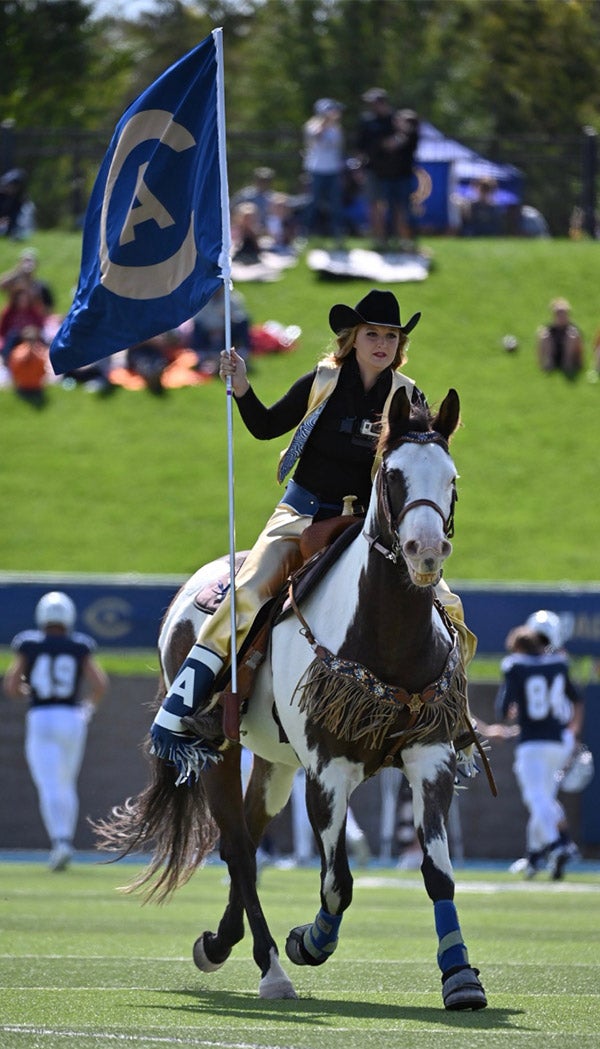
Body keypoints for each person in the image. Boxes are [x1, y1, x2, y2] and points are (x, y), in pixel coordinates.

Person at [149, 288, 477, 783]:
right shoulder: (322, 380)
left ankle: (457, 725)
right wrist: (239, 385)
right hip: (300, 513)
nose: (382, 344)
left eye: (391, 336)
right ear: (353, 338)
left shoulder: (409, 396)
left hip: (371, 527)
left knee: (446, 606)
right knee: (247, 593)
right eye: (373, 334)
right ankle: (180, 713)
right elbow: (264, 427)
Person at [3, 591, 108, 870]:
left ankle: (60, 842)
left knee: (49, 783)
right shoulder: (79, 645)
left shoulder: (29, 643)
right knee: (66, 782)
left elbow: (11, 685)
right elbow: (99, 684)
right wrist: (88, 709)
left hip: (41, 715)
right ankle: (65, 840)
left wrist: (29, 692)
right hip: (72, 716)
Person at [495, 609, 584, 881]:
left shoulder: (516, 665)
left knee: (536, 798)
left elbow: (503, 709)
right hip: (559, 739)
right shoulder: (559, 663)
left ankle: (560, 844)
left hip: (533, 741)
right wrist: (574, 730)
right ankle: (535, 856)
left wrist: (512, 715)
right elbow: (575, 699)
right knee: (543, 799)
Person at [356, 88, 420, 250]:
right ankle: (379, 239)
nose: (372, 106)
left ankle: (403, 239)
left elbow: (404, 140)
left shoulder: (395, 120)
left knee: (399, 208)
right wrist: (359, 167)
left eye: (374, 103)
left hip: (394, 173)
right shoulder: (367, 121)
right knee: (375, 205)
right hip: (375, 170)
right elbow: (361, 147)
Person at [302, 98, 346, 245]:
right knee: (313, 202)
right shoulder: (312, 125)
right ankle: (306, 232)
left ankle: (337, 233)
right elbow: (316, 138)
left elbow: (338, 147)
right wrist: (325, 120)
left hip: (333, 170)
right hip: (316, 169)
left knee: (335, 203)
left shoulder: (337, 128)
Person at [536, 298, 584, 379]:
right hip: (554, 355)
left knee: (572, 336)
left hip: (569, 357)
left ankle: (567, 365)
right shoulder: (549, 329)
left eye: (564, 314)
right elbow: (539, 348)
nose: (561, 317)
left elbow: (580, 348)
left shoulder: (572, 329)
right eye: (558, 314)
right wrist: (540, 362)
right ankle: (548, 365)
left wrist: (580, 363)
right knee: (544, 336)